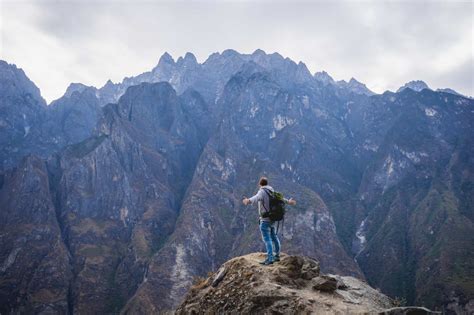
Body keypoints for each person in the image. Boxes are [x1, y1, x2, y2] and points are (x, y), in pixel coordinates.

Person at [242, 177, 296, 265]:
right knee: (274, 237)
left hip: (265, 220)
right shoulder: (272, 191)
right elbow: (281, 199)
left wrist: (247, 201)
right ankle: (277, 256)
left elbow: (256, 198)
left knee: (267, 239)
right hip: (272, 219)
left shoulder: (262, 192)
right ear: (267, 183)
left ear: (260, 184)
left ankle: (270, 258)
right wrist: (289, 202)